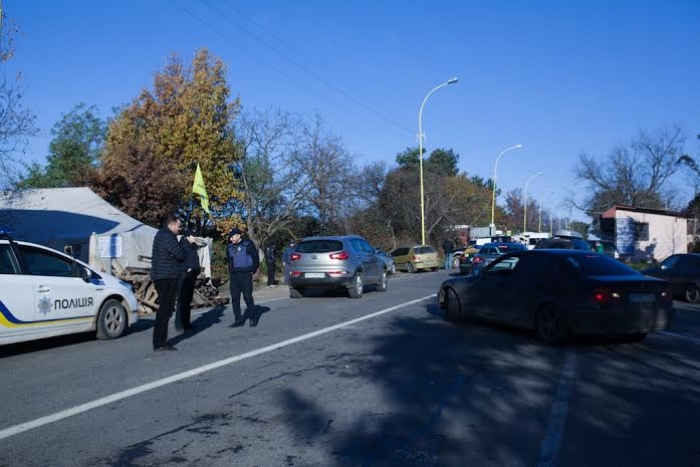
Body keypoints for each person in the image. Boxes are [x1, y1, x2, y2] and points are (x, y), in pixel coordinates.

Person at [151, 214, 186, 352]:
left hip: (163, 276)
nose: (180, 228)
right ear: (171, 226)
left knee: (165, 310)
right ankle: (160, 342)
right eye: (178, 226)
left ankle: (160, 341)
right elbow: (180, 254)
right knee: (165, 311)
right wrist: (183, 243)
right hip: (165, 277)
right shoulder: (167, 236)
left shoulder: (162, 235)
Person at [226, 228, 260, 327]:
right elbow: (229, 260)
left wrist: (253, 270)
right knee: (235, 299)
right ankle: (238, 320)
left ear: (238, 236)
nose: (231, 239)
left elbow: (255, 258)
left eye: (232, 237)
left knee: (247, 297)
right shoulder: (229, 247)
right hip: (234, 276)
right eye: (230, 237)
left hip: (245, 275)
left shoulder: (248, 244)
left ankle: (253, 318)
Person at [175, 228, 201, 332]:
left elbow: (195, 261)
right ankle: (179, 324)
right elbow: (178, 261)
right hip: (183, 276)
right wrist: (186, 268)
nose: (195, 237)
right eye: (193, 235)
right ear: (187, 237)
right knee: (181, 300)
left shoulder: (193, 247)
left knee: (187, 301)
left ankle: (186, 323)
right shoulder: (181, 246)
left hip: (192, 276)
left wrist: (196, 270)